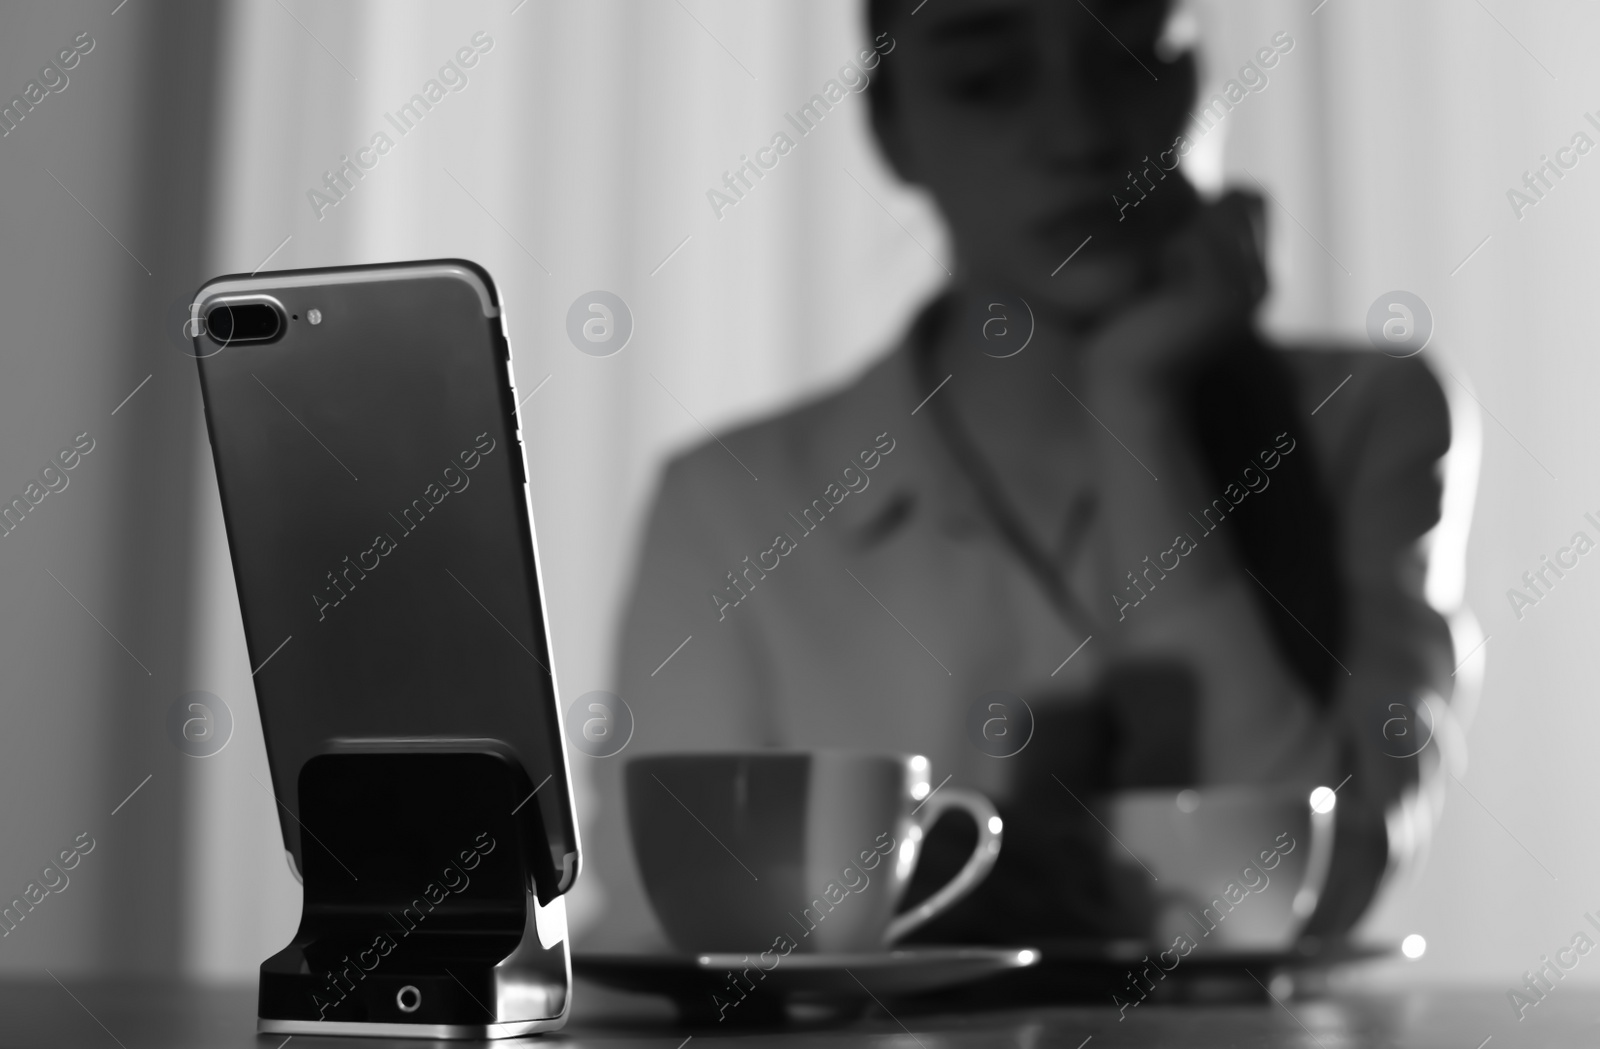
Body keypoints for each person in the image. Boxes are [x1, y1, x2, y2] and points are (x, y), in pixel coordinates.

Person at [594, 0, 1465, 947]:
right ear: (892, 130)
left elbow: (1322, 889)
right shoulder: (729, 504)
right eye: (986, 79)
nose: (1079, 134)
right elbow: (669, 938)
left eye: (1127, 58)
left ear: (1193, 77)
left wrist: (1140, 413)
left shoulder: (1361, 418)